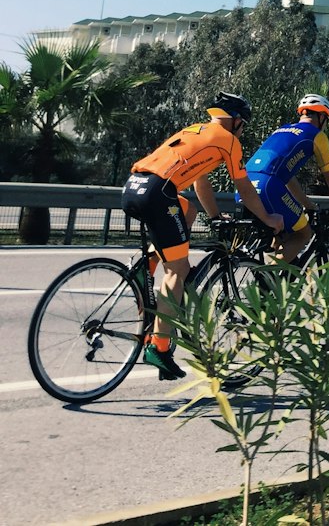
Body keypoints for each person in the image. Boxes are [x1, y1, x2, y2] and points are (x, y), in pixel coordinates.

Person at [121, 92, 285, 381]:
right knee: (179, 270)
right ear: (235, 122)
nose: (242, 130)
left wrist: (213, 216)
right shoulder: (228, 140)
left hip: (135, 186)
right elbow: (245, 188)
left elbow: (200, 181)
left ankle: (145, 267)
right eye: (243, 124)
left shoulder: (196, 131)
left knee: (188, 210)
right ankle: (159, 348)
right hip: (158, 194)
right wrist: (268, 218)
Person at [238, 94, 329, 263]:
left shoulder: (281, 130)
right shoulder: (316, 135)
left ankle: (272, 273)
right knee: (304, 233)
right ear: (322, 117)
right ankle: (270, 279)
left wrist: (308, 205)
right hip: (269, 187)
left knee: (282, 232)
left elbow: (287, 177)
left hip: (243, 185)